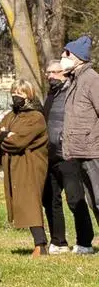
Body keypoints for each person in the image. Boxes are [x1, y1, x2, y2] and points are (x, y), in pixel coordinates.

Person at [0, 81, 49, 255]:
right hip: (15, 164)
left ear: (29, 95)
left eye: (21, 93)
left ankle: (41, 245)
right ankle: (40, 244)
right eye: (14, 92)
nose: (16, 96)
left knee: (31, 201)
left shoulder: (36, 117)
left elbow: (18, 141)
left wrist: (5, 135)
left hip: (31, 165)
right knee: (22, 201)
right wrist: (5, 134)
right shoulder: (12, 115)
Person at [44, 55, 95, 253]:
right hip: (50, 154)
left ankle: (84, 242)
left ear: (64, 74)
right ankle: (58, 241)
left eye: (54, 72)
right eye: (48, 73)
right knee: (51, 199)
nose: (50, 76)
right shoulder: (50, 95)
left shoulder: (73, 93)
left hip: (69, 154)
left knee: (75, 199)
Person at [62, 38, 99, 218]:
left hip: (94, 152)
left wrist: (92, 139)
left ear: (79, 57)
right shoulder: (75, 81)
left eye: (67, 53)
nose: (63, 56)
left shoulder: (92, 80)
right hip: (81, 151)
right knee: (93, 201)